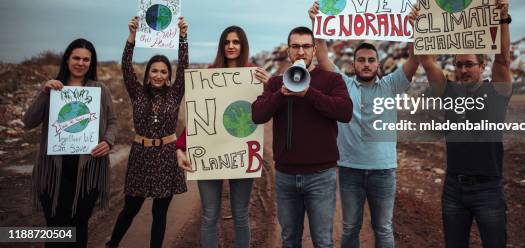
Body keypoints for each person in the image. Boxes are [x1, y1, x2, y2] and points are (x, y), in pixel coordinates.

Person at [308, 2, 419, 248]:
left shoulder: (391, 85)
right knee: (350, 227)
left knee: (383, 228)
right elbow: (323, 57)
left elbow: (415, 59)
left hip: (384, 170)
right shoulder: (344, 86)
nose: (366, 64)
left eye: (371, 60)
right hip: (350, 170)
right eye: (361, 60)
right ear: (354, 65)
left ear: (378, 65)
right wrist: (318, 23)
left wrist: (415, 29)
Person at [412, 0, 512, 248]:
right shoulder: (449, 91)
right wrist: (419, 26)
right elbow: (426, 60)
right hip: (454, 188)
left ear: (482, 66)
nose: (463, 70)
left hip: (488, 189)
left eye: (469, 64)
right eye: (458, 65)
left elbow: (503, 58)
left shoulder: (497, 91)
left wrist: (503, 18)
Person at [252, 26, 353, 248]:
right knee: (289, 240)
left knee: (323, 241)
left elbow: (345, 112)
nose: (300, 52)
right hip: (286, 176)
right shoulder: (276, 83)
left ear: (314, 50)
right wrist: (280, 94)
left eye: (306, 46)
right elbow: (257, 115)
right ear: (288, 51)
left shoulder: (331, 80)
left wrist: (309, 92)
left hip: (321, 176)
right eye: (295, 47)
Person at [175, 26, 270, 248]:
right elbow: (200, 117)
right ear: (221, 46)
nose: (231, 46)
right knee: (209, 215)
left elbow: (267, 109)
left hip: (241, 154)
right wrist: (181, 148)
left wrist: (269, 86)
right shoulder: (208, 74)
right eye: (227, 42)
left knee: (240, 214)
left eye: (236, 42)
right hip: (211, 152)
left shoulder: (254, 75)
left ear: (243, 45)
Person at [23, 38, 117, 247]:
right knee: (57, 229)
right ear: (67, 59)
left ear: (91, 63)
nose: (80, 63)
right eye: (76, 58)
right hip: (53, 173)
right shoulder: (53, 88)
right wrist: (44, 93)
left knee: (78, 227)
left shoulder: (100, 89)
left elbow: (112, 122)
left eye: (86, 59)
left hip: (88, 173)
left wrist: (108, 142)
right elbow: (29, 122)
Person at [106, 16, 189, 248]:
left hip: (166, 156)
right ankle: (112, 243)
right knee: (130, 208)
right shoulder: (137, 93)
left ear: (169, 75)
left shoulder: (175, 94)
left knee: (159, 212)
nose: (159, 75)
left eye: (163, 71)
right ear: (148, 73)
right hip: (141, 155)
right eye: (154, 70)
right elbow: (125, 66)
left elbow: (183, 67)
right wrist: (131, 37)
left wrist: (183, 38)